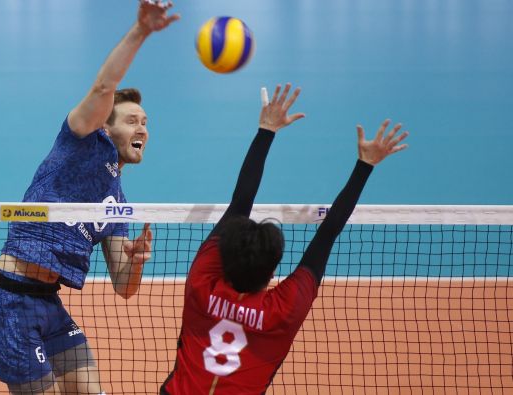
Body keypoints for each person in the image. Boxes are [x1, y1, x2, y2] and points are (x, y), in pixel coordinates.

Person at [0, 1, 180, 394]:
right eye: (132, 120)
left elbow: (124, 285)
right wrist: (140, 31)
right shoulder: (81, 141)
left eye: (146, 123)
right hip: (8, 299)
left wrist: (135, 262)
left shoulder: (117, 202)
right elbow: (104, 88)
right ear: (106, 126)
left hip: (47, 302)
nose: (143, 129)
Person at [160, 83, 409, 394]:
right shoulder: (283, 310)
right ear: (273, 271)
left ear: (225, 256)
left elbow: (240, 204)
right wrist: (365, 166)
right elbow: (327, 234)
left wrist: (266, 130)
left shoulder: (202, 282)